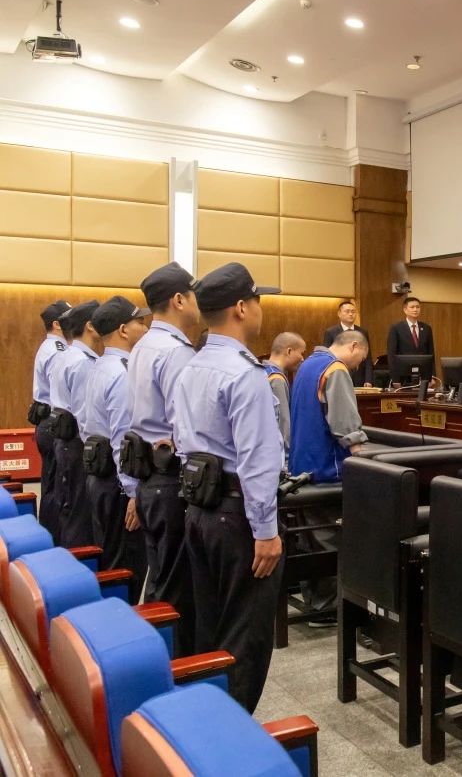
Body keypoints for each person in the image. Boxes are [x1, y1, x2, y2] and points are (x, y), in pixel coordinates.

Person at [170, 262, 284, 712]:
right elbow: (257, 461)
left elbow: (181, 441)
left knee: (210, 630)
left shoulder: (192, 366)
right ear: (241, 307)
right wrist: (266, 531)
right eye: (257, 300)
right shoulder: (245, 373)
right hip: (238, 518)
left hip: (198, 510)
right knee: (245, 639)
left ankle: (205, 722)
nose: (259, 309)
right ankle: (228, 736)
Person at [126, 262, 200, 653]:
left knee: (159, 582)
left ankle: (155, 662)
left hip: (149, 479)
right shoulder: (175, 352)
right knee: (177, 592)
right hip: (172, 480)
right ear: (178, 300)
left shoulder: (142, 347)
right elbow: (186, 426)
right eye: (193, 294)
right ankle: (175, 671)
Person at [288, 330, 370, 620]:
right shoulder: (335, 369)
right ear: (354, 346)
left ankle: (316, 602)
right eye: (361, 358)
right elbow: (344, 424)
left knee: (310, 541)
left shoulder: (307, 365)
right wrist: (361, 452)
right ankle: (328, 609)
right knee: (329, 541)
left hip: (302, 467)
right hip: (328, 469)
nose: (358, 365)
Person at [81, 296, 150, 601]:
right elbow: (124, 440)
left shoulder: (99, 366)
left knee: (109, 555)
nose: (145, 328)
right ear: (123, 330)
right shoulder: (122, 373)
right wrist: (133, 493)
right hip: (118, 483)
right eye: (139, 322)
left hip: (100, 476)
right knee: (126, 565)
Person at [46, 300, 101, 547]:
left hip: (64, 440)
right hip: (77, 443)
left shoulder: (67, 355)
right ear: (90, 326)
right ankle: (78, 563)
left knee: (68, 507)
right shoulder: (82, 362)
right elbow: (84, 413)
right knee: (80, 515)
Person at [31, 300, 71, 504]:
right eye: (68, 318)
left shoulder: (50, 347)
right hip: (53, 422)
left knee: (51, 484)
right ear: (57, 324)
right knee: (57, 488)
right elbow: (61, 392)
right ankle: (51, 525)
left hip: (46, 420)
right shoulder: (57, 351)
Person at [264, 332, 306, 456]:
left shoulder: (262, 371)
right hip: (278, 454)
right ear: (289, 351)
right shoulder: (277, 379)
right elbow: (283, 424)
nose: (302, 359)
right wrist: (288, 455)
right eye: (301, 353)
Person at [323, 300, 373, 387]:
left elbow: (368, 357)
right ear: (339, 313)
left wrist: (368, 379)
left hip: (359, 378)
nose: (350, 314)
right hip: (339, 376)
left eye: (353, 312)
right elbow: (327, 356)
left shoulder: (363, 332)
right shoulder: (330, 332)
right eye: (347, 311)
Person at [386, 296, 435, 384]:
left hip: (423, 375)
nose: (415, 309)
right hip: (403, 376)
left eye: (417, 307)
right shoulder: (396, 328)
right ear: (405, 310)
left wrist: (432, 376)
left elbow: (431, 353)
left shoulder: (426, 328)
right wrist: (395, 379)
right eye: (412, 307)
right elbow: (391, 355)